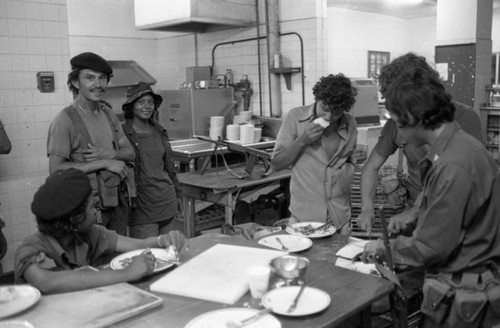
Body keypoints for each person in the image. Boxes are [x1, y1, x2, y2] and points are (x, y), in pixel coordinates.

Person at [361, 67, 500, 327]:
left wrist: (382, 248)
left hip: (464, 295)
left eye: (398, 121)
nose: (397, 132)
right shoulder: (457, 147)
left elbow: (431, 247)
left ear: (414, 118)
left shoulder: (453, 165)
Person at [356, 53, 483, 236]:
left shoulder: (464, 124)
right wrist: (367, 208)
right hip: (418, 208)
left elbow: (459, 187)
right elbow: (371, 168)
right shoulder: (398, 123)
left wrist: (416, 212)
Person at [14, 168, 187, 294]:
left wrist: (162, 240)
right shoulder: (31, 249)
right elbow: (46, 282)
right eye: (92, 207)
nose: (96, 212)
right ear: (75, 218)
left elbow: (136, 244)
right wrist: (127, 273)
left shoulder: (89, 234)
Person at [47, 52, 135, 236]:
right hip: (86, 212)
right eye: (90, 78)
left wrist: (107, 153)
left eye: (102, 78)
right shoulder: (65, 120)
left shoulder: (108, 114)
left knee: (118, 261)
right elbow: (56, 170)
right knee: (90, 263)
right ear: (76, 82)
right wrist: (103, 163)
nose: (98, 84)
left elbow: (130, 153)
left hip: (117, 205)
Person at [271, 73, 361, 234]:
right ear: (317, 98)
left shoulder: (350, 123)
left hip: (340, 219)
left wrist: (355, 160)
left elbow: (349, 162)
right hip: (304, 221)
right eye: (324, 109)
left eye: (337, 112)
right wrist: (303, 139)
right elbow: (277, 163)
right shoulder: (295, 118)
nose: (329, 117)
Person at [121, 82, 182, 238]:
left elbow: (169, 168)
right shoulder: (121, 133)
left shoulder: (160, 131)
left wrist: (178, 195)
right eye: (141, 102)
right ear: (131, 106)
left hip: (166, 201)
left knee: (168, 254)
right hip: (141, 207)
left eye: (150, 102)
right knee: (146, 256)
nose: (147, 106)